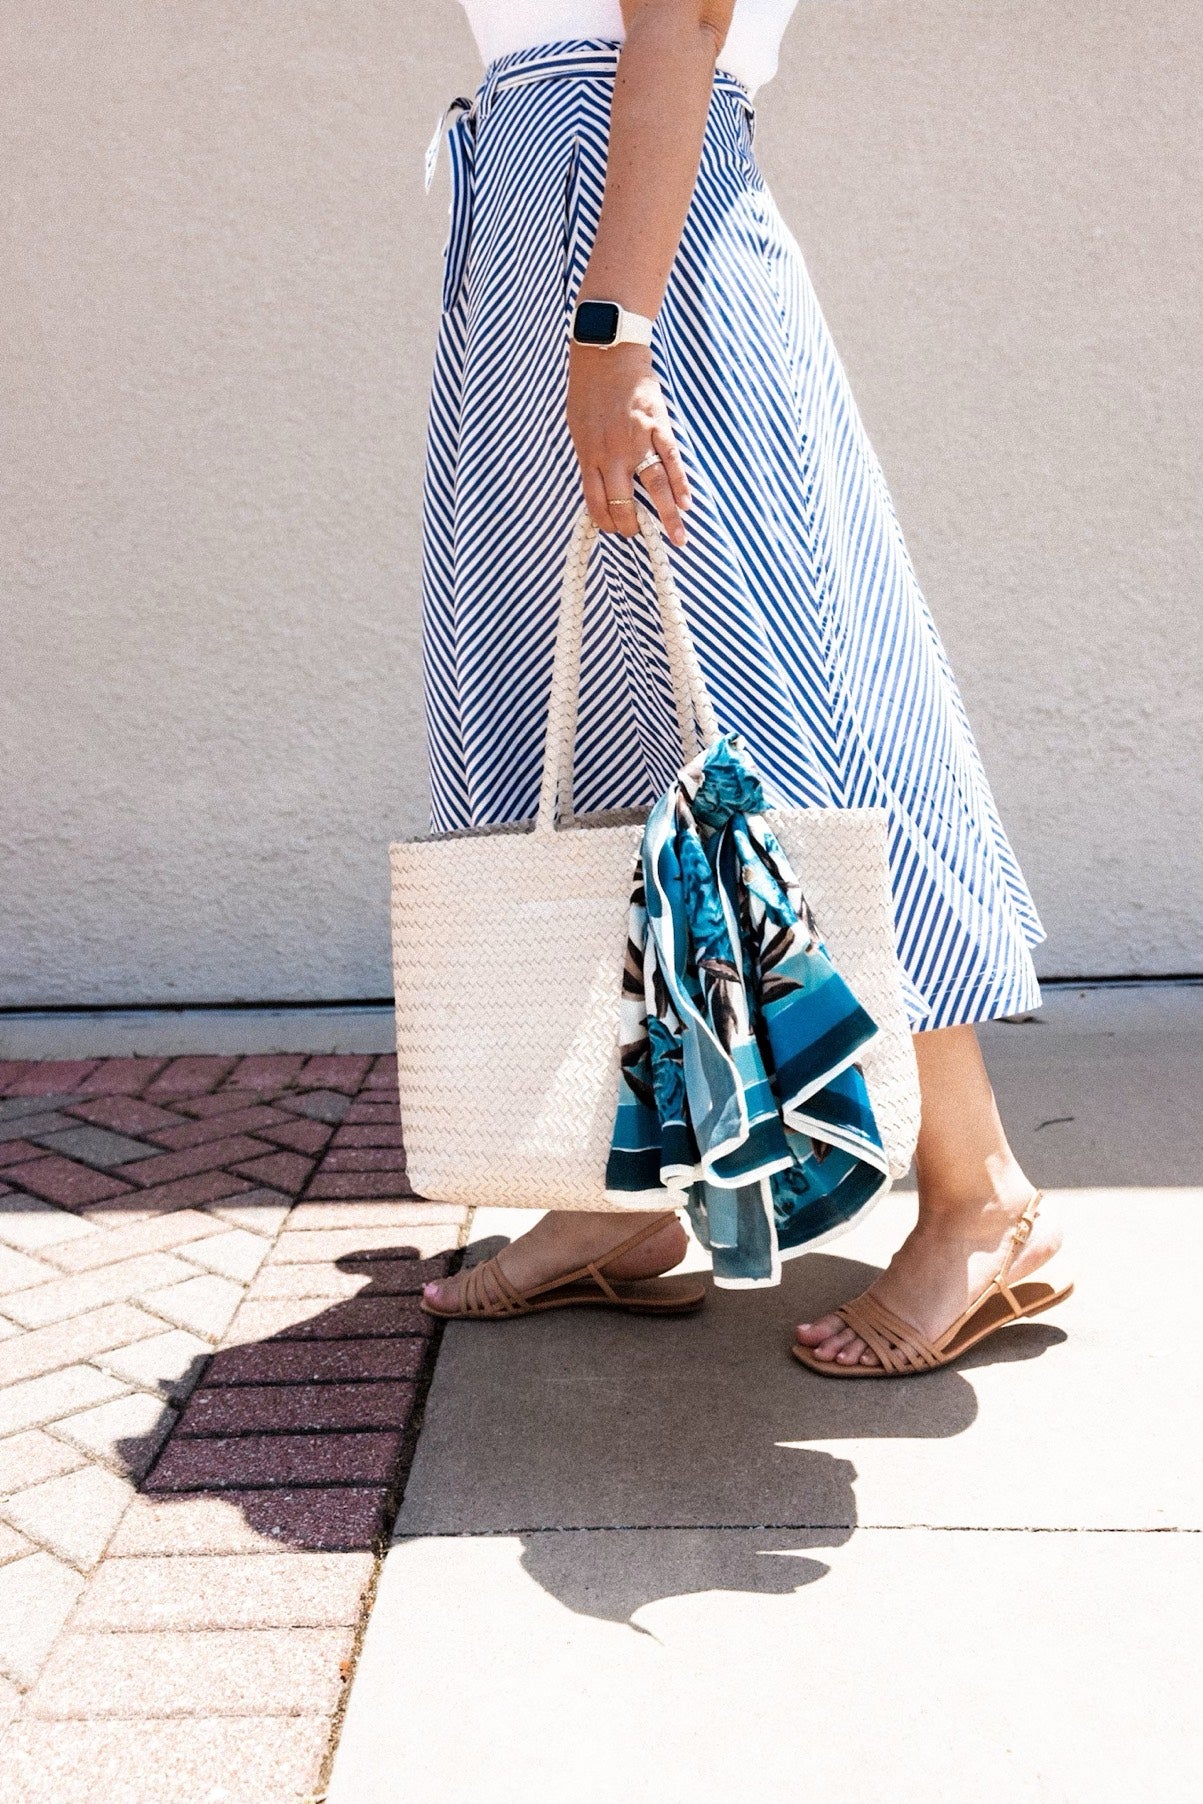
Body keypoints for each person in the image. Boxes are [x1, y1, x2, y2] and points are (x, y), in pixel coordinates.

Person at [418, 1, 1069, 1374]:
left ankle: (979, 1193)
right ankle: (614, 1196)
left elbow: (680, 19)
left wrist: (613, 330)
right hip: (547, 240)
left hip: (640, 269)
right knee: (580, 728)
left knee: (796, 728)